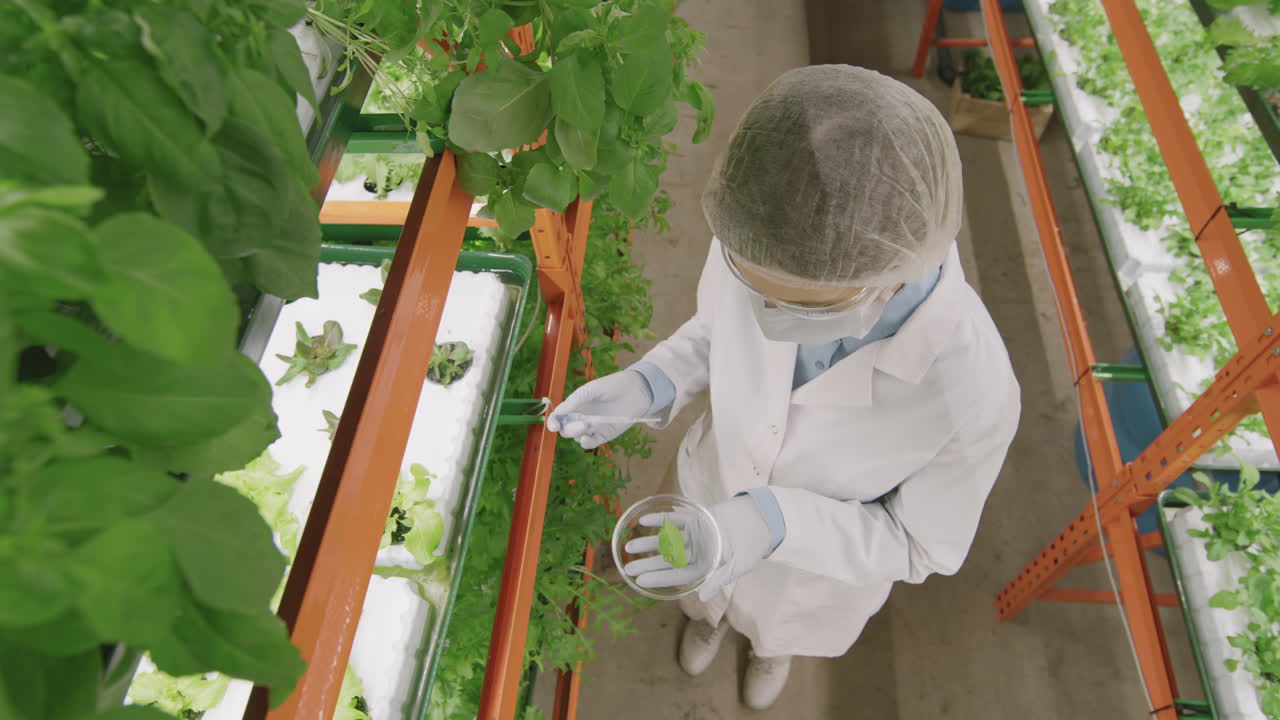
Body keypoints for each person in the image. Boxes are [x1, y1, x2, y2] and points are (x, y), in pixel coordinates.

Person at [546, 65, 1020, 710]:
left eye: (805, 307)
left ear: (893, 274)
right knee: (698, 584)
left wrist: (773, 524)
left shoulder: (971, 391)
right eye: (755, 289)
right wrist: (652, 381)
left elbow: (919, 544)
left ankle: (771, 652)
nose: (768, 315)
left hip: (811, 575)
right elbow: (717, 330)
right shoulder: (765, 232)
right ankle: (705, 617)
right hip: (711, 477)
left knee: (777, 622)